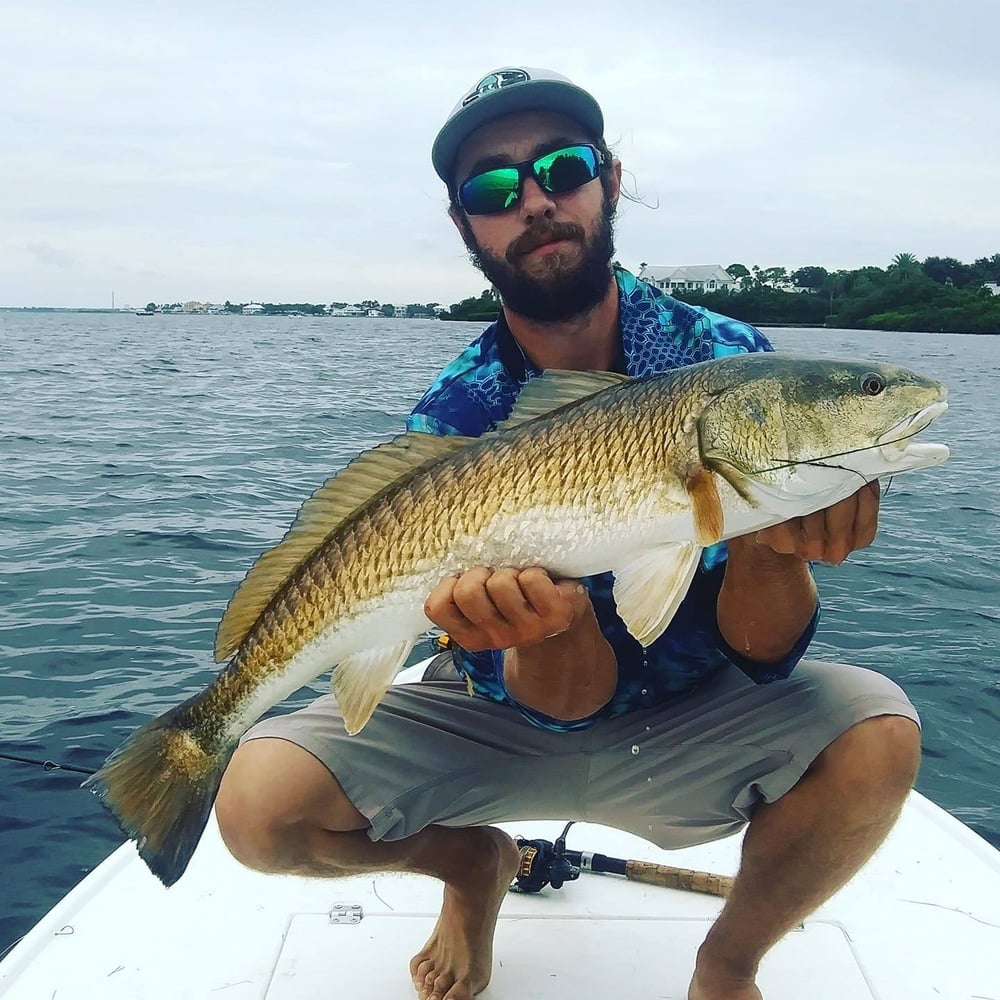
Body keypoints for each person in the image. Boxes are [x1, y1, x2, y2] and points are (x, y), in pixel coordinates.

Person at [214, 67, 921, 1000]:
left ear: (610, 181)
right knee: (257, 812)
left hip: (692, 711)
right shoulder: (457, 414)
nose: (536, 201)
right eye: (494, 189)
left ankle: (727, 963)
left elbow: (764, 655)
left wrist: (768, 545)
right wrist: (548, 628)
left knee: (879, 734)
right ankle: (470, 867)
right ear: (468, 227)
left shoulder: (731, 367)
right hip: (502, 709)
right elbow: (562, 705)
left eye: (563, 167)